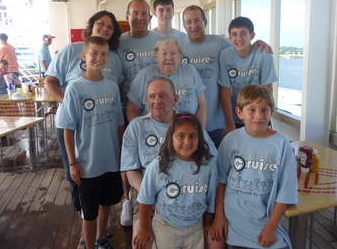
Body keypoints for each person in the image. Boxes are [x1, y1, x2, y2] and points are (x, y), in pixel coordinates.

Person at [45, 10, 123, 248]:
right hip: (85, 158)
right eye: (101, 23)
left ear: (108, 57)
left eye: (103, 54)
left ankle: (101, 237)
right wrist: (72, 161)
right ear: (84, 56)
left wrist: (123, 155)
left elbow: (119, 123)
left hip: (110, 158)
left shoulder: (111, 86)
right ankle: (86, 240)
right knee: (86, 203)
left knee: (107, 200)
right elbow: (67, 126)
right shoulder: (75, 86)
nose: (99, 58)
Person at [121, 76, 222, 249]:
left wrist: (214, 214)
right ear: (146, 100)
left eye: (163, 95)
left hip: (192, 195)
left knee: (216, 241)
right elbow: (130, 171)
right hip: (148, 194)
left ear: (175, 99)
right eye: (152, 96)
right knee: (141, 242)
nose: (157, 101)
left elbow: (214, 164)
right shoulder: (136, 127)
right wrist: (151, 196)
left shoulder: (190, 127)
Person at [211, 84, 298, 249]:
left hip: (267, 223)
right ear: (239, 113)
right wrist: (218, 216)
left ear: (271, 113)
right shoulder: (230, 140)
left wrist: (272, 227)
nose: (258, 115)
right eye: (252, 109)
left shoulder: (282, 144)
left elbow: (286, 190)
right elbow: (220, 180)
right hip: (235, 225)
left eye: (264, 110)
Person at [181, 5, 272, 148]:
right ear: (184, 26)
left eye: (197, 20)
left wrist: (257, 44)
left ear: (205, 22)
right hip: (186, 121)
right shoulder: (178, 48)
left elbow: (241, 45)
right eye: (189, 22)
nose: (193, 25)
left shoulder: (220, 43)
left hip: (216, 122)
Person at [133, 112, 218, 249]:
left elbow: (211, 196)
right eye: (181, 136)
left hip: (196, 226)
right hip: (166, 227)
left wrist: (208, 222)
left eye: (193, 136)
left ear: (200, 138)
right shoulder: (158, 164)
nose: (187, 142)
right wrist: (144, 227)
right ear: (171, 138)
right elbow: (145, 198)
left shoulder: (208, 164)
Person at [126, 37, 207, 128]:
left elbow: (202, 105)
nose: (169, 58)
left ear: (180, 56)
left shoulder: (190, 71)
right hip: (153, 135)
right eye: (164, 53)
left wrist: (200, 133)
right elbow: (132, 109)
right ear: (156, 56)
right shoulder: (144, 75)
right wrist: (141, 132)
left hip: (187, 133)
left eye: (173, 53)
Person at [219, 16, 278, 133]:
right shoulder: (225, 55)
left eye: (243, 33)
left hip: (259, 115)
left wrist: (264, 117)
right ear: (230, 37)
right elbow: (225, 92)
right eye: (234, 34)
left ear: (252, 36)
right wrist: (230, 124)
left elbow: (268, 89)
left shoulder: (263, 53)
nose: (239, 38)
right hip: (236, 116)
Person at [118, 0, 164, 99]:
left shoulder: (161, 42)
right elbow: (116, 80)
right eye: (135, 13)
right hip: (130, 106)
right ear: (127, 17)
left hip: (159, 104)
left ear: (150, 18)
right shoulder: (118, 43)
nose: (140, 18)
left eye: (144, 14)